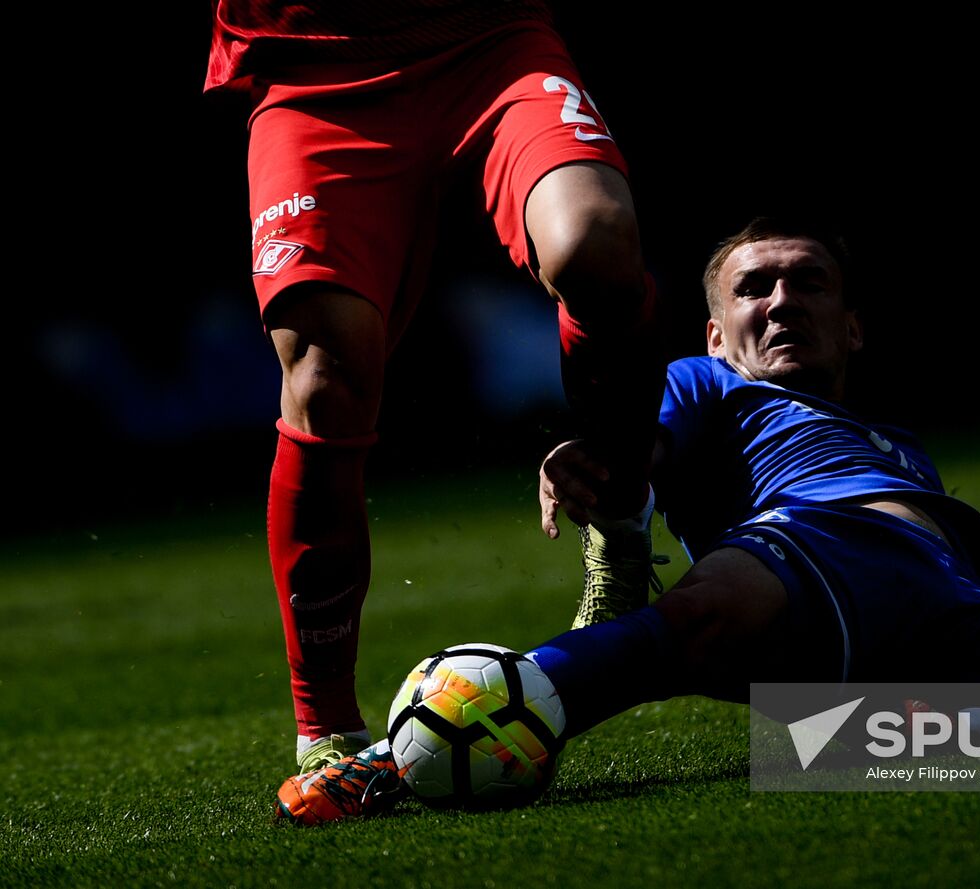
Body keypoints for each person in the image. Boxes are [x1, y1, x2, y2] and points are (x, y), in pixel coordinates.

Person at [274, 217, 980, 824]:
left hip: (962, 621)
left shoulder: (886, 440)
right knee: (729, 593)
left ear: (852, 322)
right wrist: (601, 468)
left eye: (806, 282)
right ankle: (455, 730)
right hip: (813, 572)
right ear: (715, 328)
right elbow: (639, 442)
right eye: (754, 289)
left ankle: (962, 745)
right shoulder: (704, 384)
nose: (780, 301)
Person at [206, 1, 664, 777]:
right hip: (314, 66)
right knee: (323, 370)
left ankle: (619, 521)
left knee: (594, 244)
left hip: (487, 36)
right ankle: (325, 724)